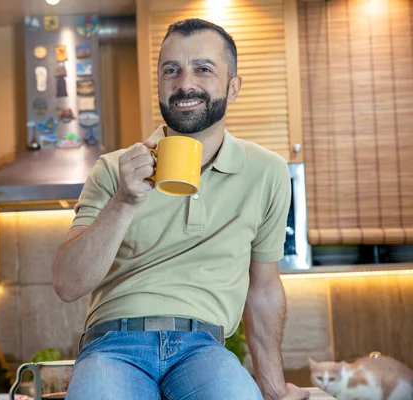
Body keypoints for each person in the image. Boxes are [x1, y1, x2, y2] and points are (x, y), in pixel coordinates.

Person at [52, 18, 310, 400]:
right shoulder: (114, 169)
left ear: (233, 87)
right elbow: (67, 284)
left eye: (203, 69)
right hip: (112, 346)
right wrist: (124, 201)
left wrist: (273, 387)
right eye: (171, 70)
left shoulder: (267, 171)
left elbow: (264, 289)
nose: (185, 84)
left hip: (204, 349)